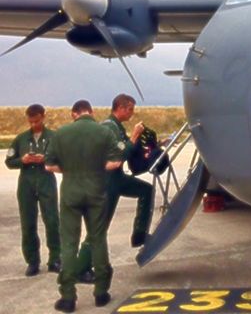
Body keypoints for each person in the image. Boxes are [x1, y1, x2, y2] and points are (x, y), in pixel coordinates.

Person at [45, 100, 123, 313]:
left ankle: (68, 296)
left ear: (74, 114)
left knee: (69, 242)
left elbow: (49, 165)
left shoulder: (60, 133)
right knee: (97, 239)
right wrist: (96, 168)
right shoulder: (104, 132)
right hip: (96, 191)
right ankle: (100, 292)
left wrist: (69, 170)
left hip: (70, 192)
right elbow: (115, 162)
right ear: (91, 112)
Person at [76, 93, 153, 282]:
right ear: (120, 107)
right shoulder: (108, 128)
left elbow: (128, 150)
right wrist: (134, 137)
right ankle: (81, 269)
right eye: (130, 109)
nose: (132, 113)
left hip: (117, 179)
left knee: (146, 190)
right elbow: (118, 156)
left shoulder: (116, 128)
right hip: (107, 183)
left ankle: (139, 234)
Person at [4, 104, 60, 277]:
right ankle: (32, 261)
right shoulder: (21, 139)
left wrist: (46, 159)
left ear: (43, 117)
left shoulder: (53, 137)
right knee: (28, 223)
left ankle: (55, 259)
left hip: (46, 181)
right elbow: (9, 161)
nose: (34, 124)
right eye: (31, 121)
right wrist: (23, 160)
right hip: (26, 183)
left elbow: (62, 158)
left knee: (52, 221)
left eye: (36, 121)